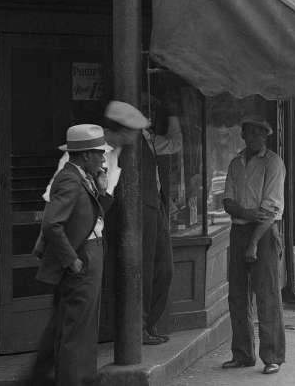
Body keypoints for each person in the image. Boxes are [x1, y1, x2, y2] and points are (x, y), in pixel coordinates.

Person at [41, 100, 183, 345]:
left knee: (75, 322)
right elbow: (53, 213)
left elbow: (102, 201)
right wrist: (68, 256)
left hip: (93, 240)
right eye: (131, 132)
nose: (134, 138)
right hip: (79, 243)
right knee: (72, 321)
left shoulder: (114, 156)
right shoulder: (81, 161)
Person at [28, 124, 114, 386]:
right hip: (82, 257)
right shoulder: (68, 178)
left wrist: (101, 190)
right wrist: (72, 260)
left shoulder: (82, 176)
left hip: (90, 253)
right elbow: (52, 223)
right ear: (85, 154)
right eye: (99, 153)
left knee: (85, 329)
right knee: (77, 331)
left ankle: (83, 380)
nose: (103, 159)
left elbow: (93, 215)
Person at [220, 115, 286, 375]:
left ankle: (272, 356)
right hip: (238, 231)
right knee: (237, 295)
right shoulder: (236, 163)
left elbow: (269, 209)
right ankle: (243, 354)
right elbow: (227, 202)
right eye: (251, 133)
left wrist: (254, 243)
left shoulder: (273, 163)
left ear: (266, 137)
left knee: (267, 295)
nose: (256, 137)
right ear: (243, 135)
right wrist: (247, 214)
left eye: (261, 133)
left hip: (265, 234)